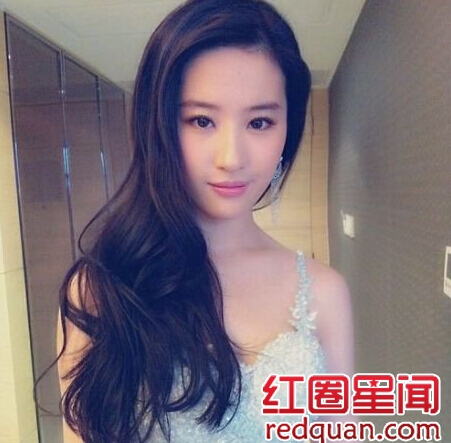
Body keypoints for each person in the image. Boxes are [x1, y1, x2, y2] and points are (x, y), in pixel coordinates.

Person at [56, 0, 354, 442]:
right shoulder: (101, 288)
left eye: (259, 122)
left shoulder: (325, 292)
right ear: (158, 125)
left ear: (286, 131)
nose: (231, 158)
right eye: (201, 120)